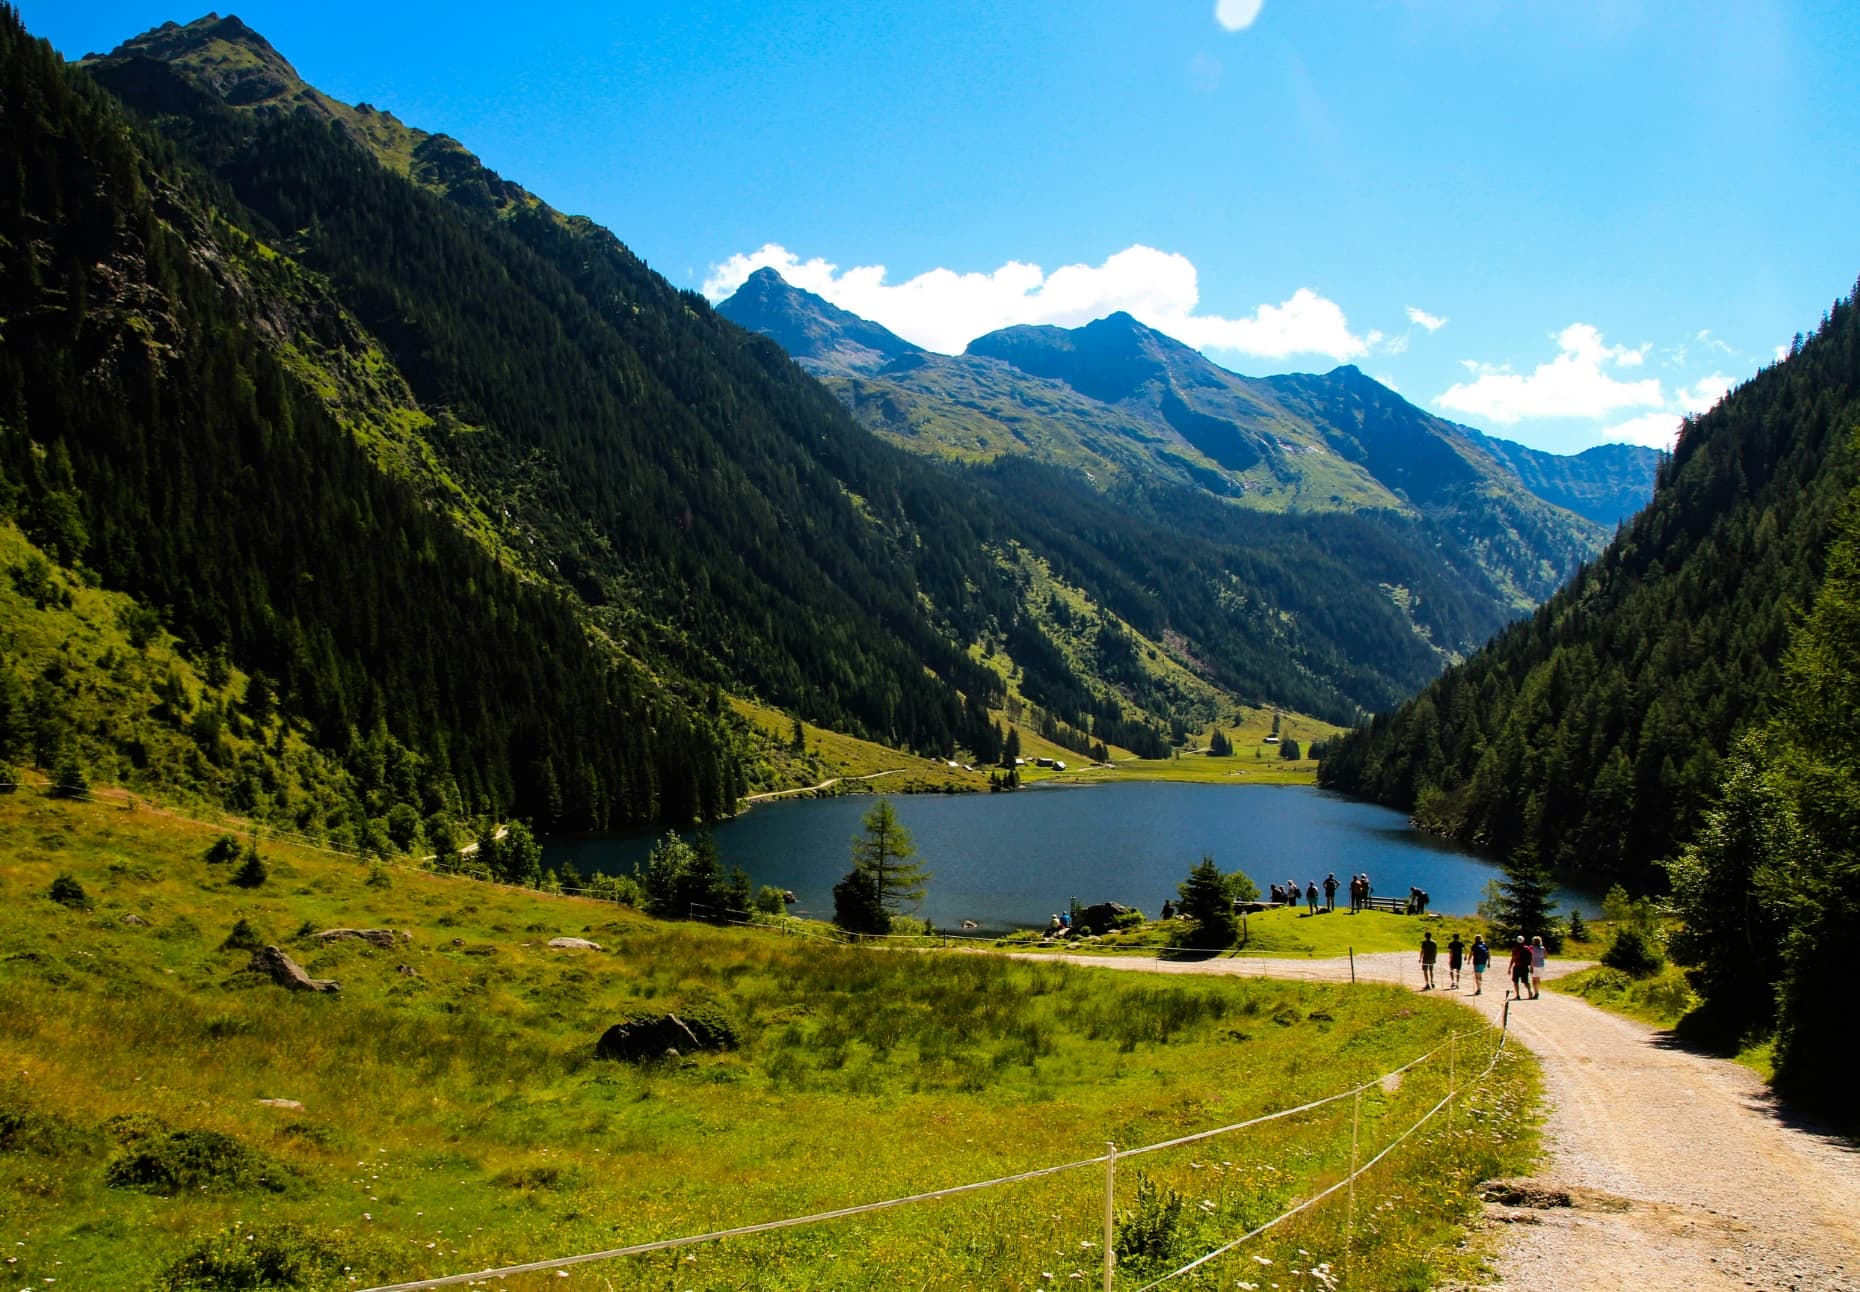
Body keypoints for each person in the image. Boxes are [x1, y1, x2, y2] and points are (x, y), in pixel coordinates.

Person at [1529, 935, 1547, 999]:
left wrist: (1531, 967)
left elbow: (1530, 957)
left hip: (1534, 965)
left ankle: (1536, 993)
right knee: (1538, 979)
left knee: (1534, 980)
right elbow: (1545, 956)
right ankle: (1537, 991)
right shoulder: (1543, 948)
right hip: (1541, 965)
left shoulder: (1531, 948)